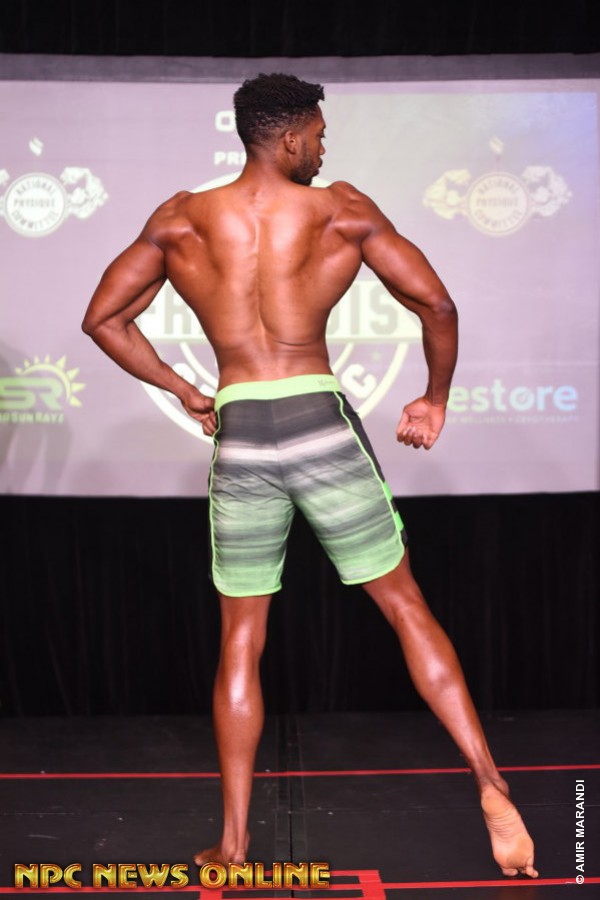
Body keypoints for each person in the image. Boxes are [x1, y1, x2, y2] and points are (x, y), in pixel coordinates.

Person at [82, 73, 537, 879]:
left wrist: (186, 389)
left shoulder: (181, 218)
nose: (325, 149)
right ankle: (491, 783)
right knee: (405, 608)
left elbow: (103, 319)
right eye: (320, 135)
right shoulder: (339, 211)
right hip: (318, 420)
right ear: (289, 136)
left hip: (243, 433)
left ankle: (233, 843)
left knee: (241, 639)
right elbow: (436, 304)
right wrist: (434, 398)